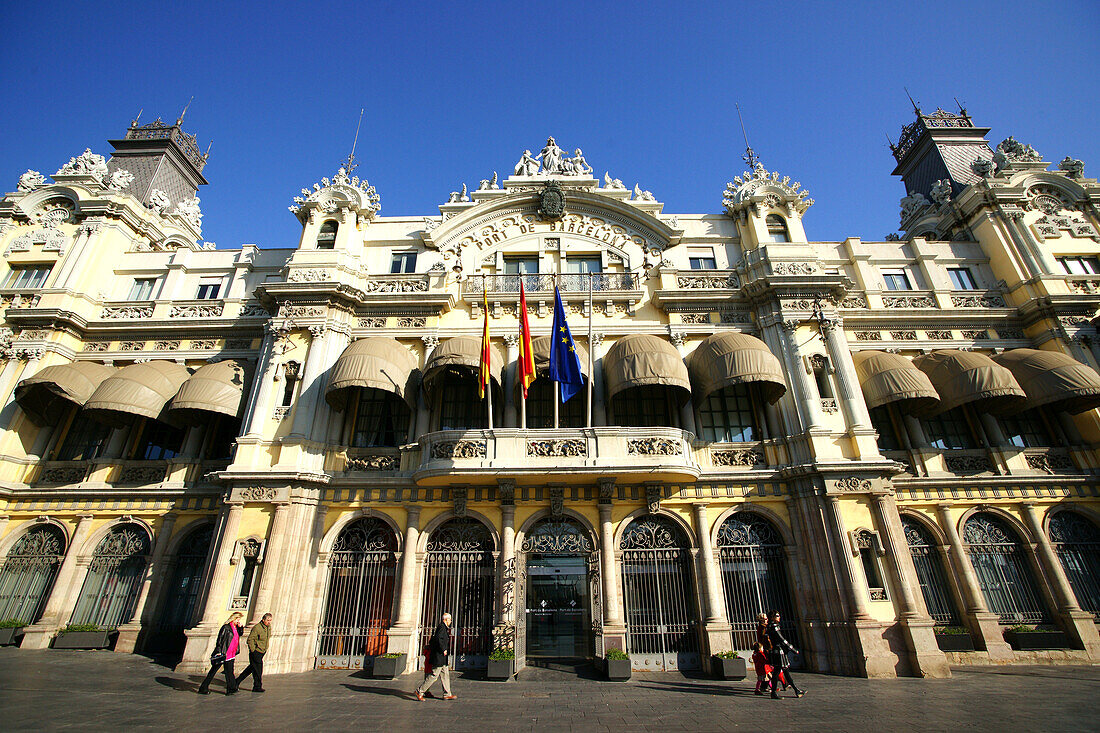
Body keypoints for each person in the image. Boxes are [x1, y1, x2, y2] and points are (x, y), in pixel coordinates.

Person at [198, 611, 244, 695]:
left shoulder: (236, 628)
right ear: (233, 618)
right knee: (213, 671)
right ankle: (203, 687)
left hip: (231, 653)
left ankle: (231, 688)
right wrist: (218, 651)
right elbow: (220, 640)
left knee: (229, 671)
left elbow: (240, 634)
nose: (238, 621)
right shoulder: (226, 627)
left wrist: (241, 628)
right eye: (238, 619)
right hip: (223, 653)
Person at [415, 612, 455, 701]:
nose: (450, 621)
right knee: (434, 675)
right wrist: (443, 649)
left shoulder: (444, 627)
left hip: (442, 657)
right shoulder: (442, 627)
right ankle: (420, 691)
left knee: (445, 675)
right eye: (450, 619)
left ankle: (447, 693)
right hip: (439, 655)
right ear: (446, 620)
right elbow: (438, 639)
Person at [766, 610, 805, 699]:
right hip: (779, 652)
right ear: (772, 617)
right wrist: (793, 649)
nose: (779, 617)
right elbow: (782, 639)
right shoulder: (774, 627)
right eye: (777, 616)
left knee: (783, 672)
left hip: (775, 651)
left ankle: (796, 690)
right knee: (778, 672)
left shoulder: (769, 626)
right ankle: (775, 693)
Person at [235, 613, 272, 692]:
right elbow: (250, 639)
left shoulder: (268, 628)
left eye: (270, 620)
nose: (269, 622)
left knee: (251, 668)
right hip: (256, 652)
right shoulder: (257, 628)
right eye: (268, 620)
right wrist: (253, 650)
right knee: (258, 670)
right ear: (263, 620)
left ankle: (237, 681)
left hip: (262, 651)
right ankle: (257, 686)